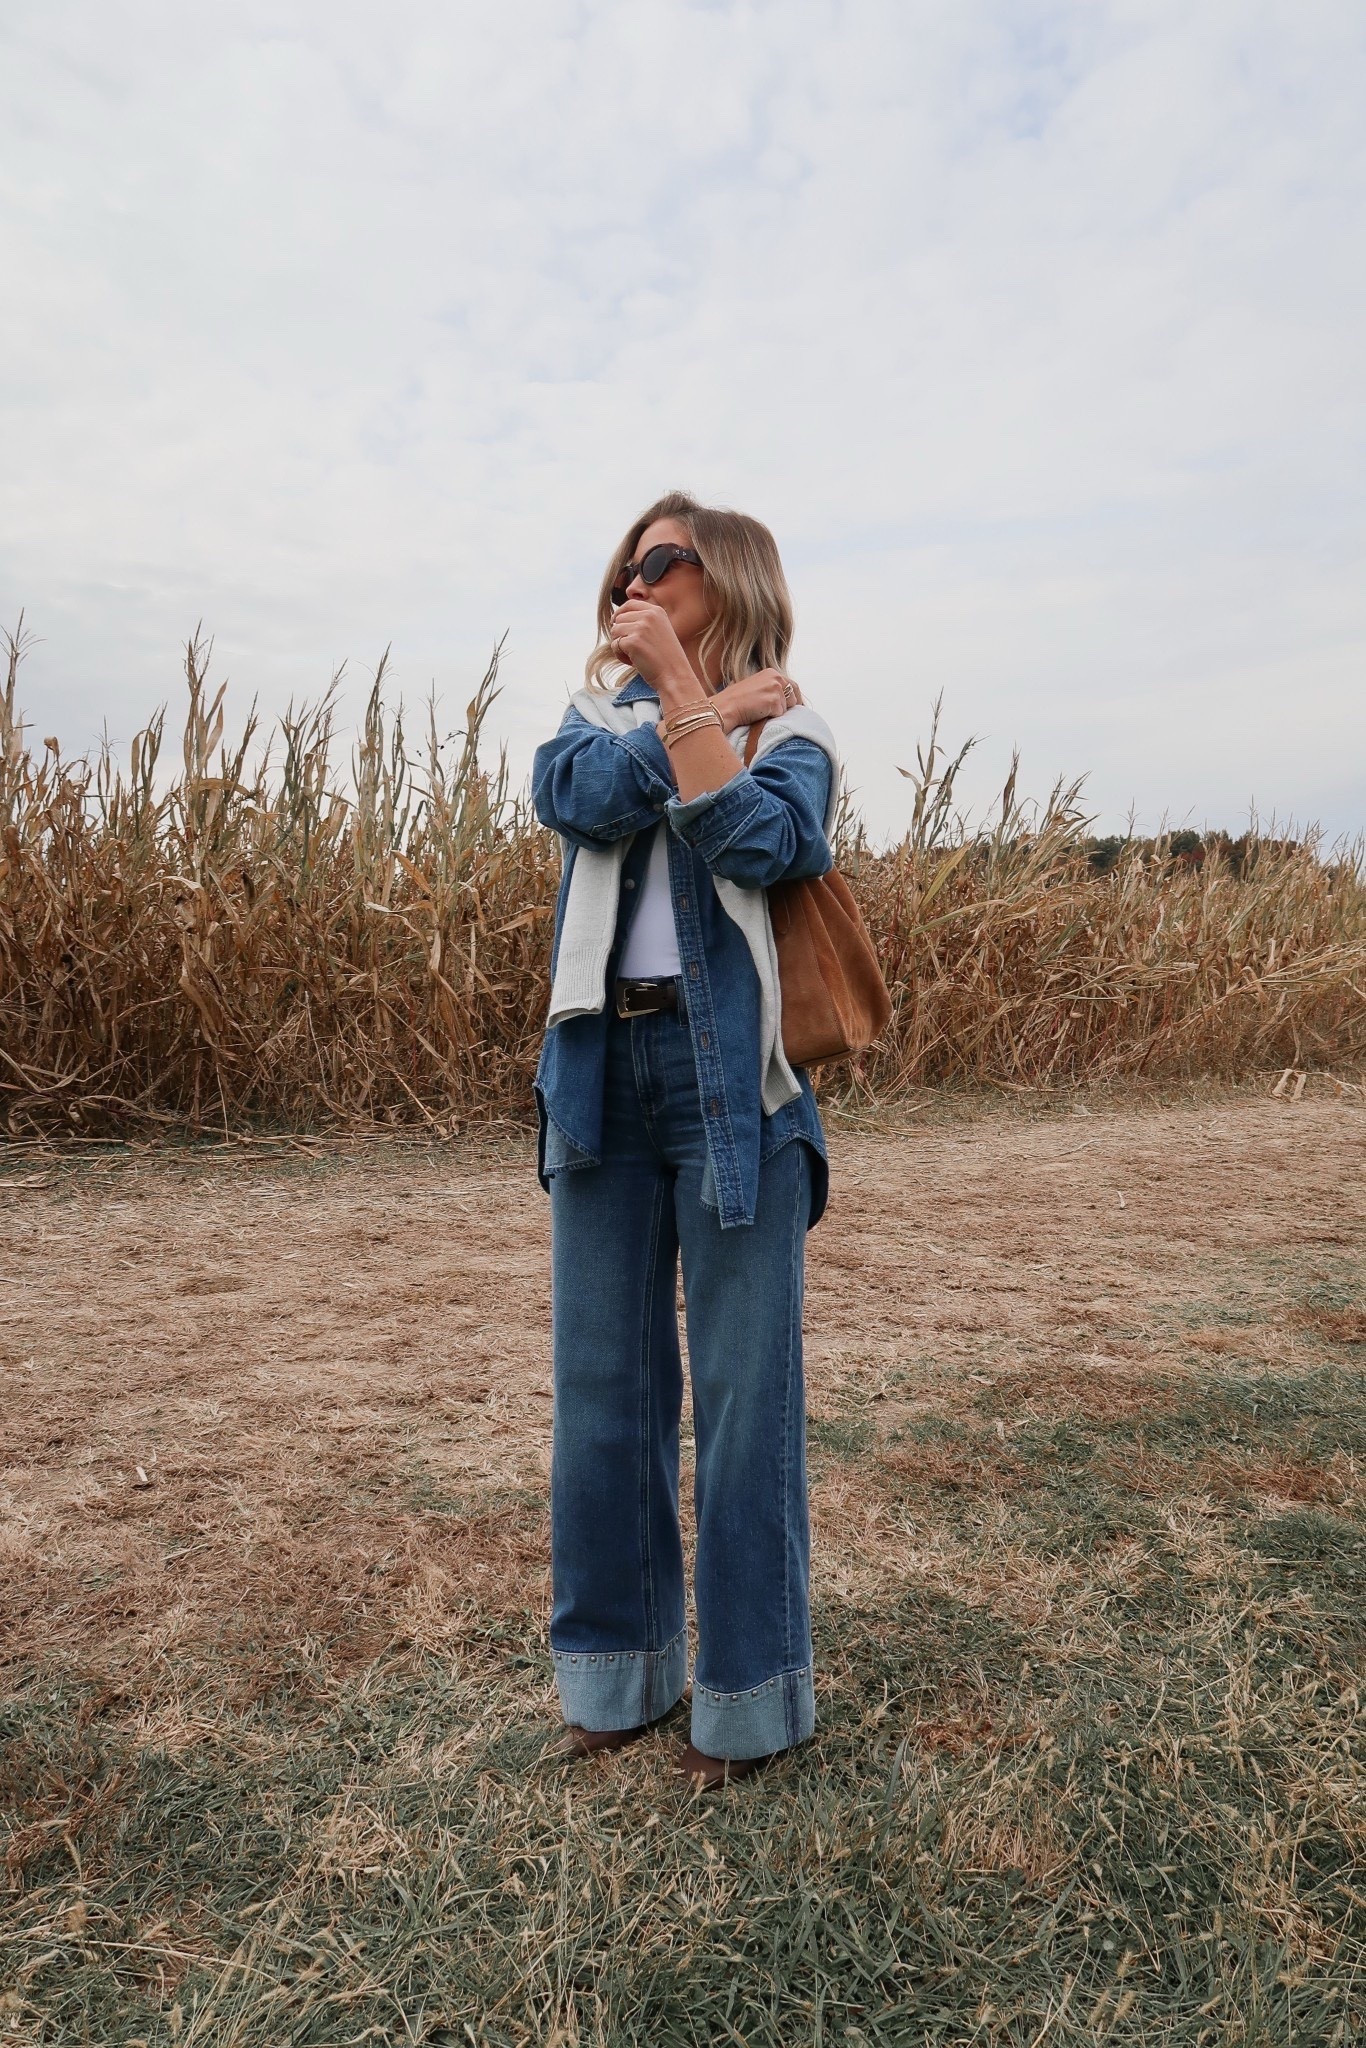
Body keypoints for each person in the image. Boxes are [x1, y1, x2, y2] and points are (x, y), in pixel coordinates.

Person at [529, 490, 840, 1792]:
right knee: (603, 1397)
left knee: (742, 1406)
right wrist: (700, 713)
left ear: (729, 575)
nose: (628, 580)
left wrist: (687, 697)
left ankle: (749, 1701)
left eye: (656, 562)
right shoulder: (604, 717)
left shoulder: (799, 728)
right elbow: (572, 794)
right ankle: (616, 1676)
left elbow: (765, 840)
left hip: (737, 1090)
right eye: (621, 565)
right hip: (602, 1064)